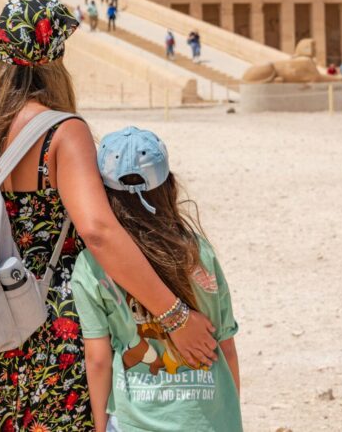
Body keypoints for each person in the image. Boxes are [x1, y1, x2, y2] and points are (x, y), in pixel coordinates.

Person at [0, 0, 219, 431]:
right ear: (55, 60)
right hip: (47, 338)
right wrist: (174, 316)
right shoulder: (62, 132)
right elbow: (98, 231)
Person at [72, 127, 241, 432]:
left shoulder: (91, 266)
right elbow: (225, 344)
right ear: (169, 185)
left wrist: (99, 425)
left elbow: (97, 359)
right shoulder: (197, 254)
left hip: (134, 422)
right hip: (205, 421)